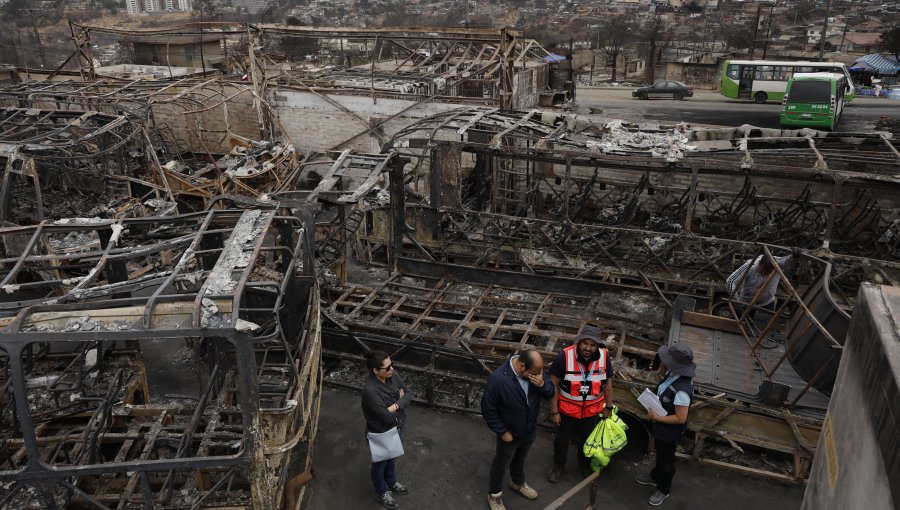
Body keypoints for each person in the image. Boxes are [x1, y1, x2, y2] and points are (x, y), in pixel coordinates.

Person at [481, 349, 555, 510]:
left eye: (540, 371)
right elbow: (488, 409)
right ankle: (494, 495)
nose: (538, 374)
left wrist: (542, 384)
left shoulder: (536, 373)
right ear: (522, 366)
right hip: (509, 435)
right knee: (501, 465)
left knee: (520, 460)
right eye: (535, 372)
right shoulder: (498, 379)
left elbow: (550, 392)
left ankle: (517, 482)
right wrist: (502, 431)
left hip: (529, 430)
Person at [546, 326, 614, 482]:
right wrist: (554, 411)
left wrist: (608, 407)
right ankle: (559, 466)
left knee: (587, 442)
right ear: (579, 342)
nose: (588, 348)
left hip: (592, 411)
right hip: (566, 411)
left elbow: (608, 383)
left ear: (598, 346)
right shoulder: (564, 356)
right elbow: (553, 384)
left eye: (592, 345)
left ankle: (583, 465)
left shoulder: (604, 356)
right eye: (585, 344)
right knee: (561, 441)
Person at [635, 343, 696, 506]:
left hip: (670, 431)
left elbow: (680, 418)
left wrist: (657, 417)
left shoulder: (682, 390)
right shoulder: (673, 373)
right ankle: (655, 476)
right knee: (660, 454)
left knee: (666, 461)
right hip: (662, 427)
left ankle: (663, 488)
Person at [361, 350, 411, 509]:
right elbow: (385, 417)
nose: (392, 369)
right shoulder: (370, 391)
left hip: (397, 427)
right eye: (387, 368)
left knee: (392, 457)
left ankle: (391, 481)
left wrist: (395, 405)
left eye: (392, 365)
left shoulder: (391, 376)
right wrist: (400, 402)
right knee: (380, 463)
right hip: (381, 432)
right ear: (375, 370)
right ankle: (381, 490)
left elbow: (408, 394)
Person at [725, 249, 800, 312]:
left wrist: (794, 256)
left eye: (767, 273)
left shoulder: (778, 264)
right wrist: (736, 301)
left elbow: (787, 260)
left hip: (767, 304)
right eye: (761, 271)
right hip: (746, 303)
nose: (763, 274)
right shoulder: (750, 266)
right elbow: (730, 281)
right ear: (759, 263)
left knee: (762, 326)